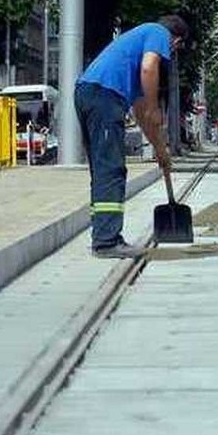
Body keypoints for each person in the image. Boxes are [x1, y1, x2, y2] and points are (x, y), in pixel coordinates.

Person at [75, 15, 189, 259]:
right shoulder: (158, 33)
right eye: (176, 48)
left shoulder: (132, 59)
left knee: (103, 169)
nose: (171, 53)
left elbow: (141, 113)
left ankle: (104, 235)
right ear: (175, 40)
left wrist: (161, 149)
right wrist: (154, 106)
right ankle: (106, 242)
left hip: (91, 93)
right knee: (111, 170)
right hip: (104, 96)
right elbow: (150, 68)